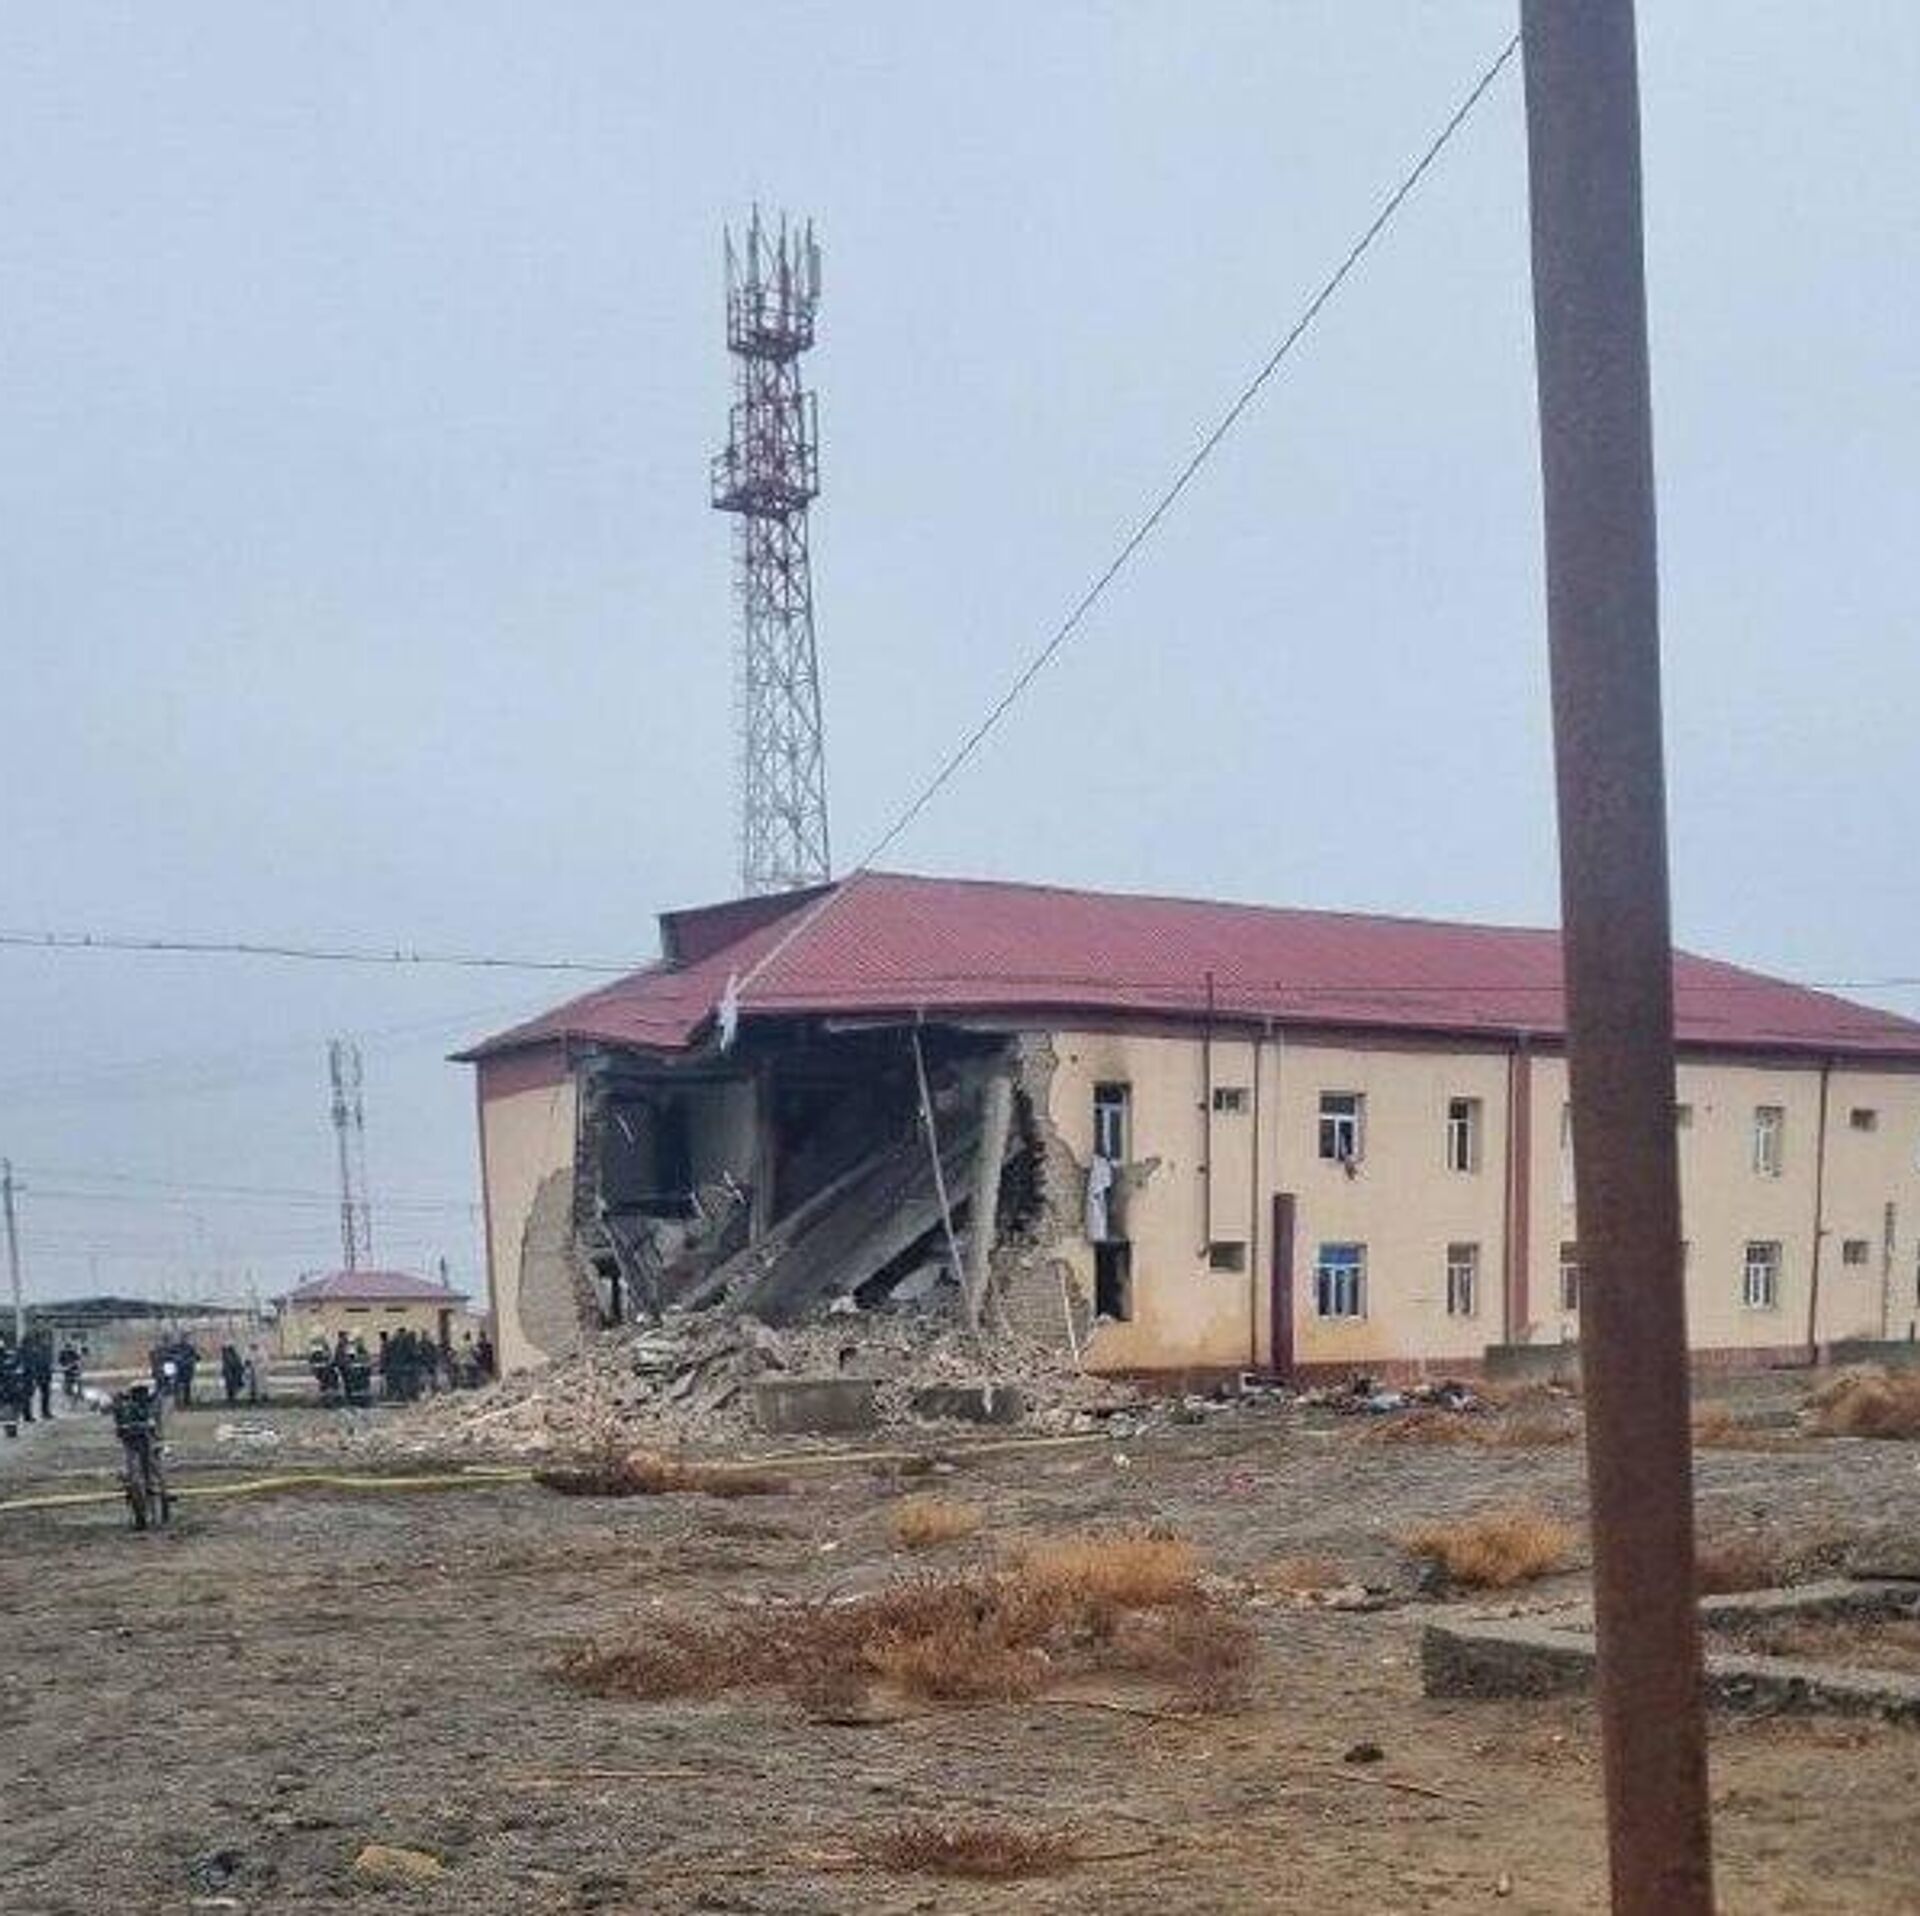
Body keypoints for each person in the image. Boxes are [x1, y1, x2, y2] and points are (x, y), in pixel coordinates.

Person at [219, 1342, 244, 1407]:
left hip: (233, 1375)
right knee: (230, 1388)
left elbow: (236, 1365)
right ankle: (231, 1399)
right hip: (230, 1375)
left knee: (232, 1388)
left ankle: (232, 1400)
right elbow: (225, 1366)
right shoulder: (226, 1356)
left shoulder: (231, 1356)